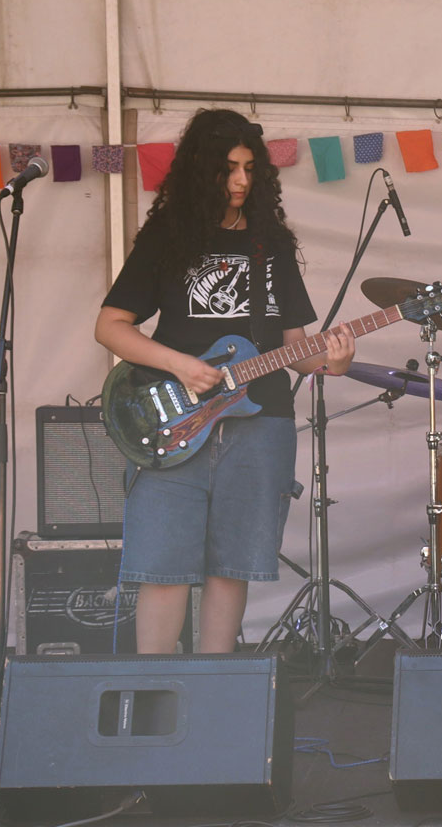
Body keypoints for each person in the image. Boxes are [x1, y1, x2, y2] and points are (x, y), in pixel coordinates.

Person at [96, 108, 355, 654]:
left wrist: (334, 360)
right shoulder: (169, 236)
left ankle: (217, 691)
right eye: (229, 168)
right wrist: (178, 364)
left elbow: (295, 350)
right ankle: (152, 697)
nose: (241, 180)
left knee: (231, 565)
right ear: (201, 170)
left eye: (249, 168)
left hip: (259, 423)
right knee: (163, 566)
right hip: (172, 416)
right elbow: (110, 326)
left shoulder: (271, 242)